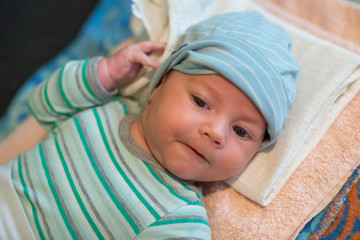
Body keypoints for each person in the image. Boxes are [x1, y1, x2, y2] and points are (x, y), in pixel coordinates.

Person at [2, 12, 299, 239]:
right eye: (201, 102)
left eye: (241, 131)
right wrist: (105, 74)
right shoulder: (107, 106)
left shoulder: (180, 217)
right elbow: (43, 104)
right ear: (158, 87)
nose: (216, 132)